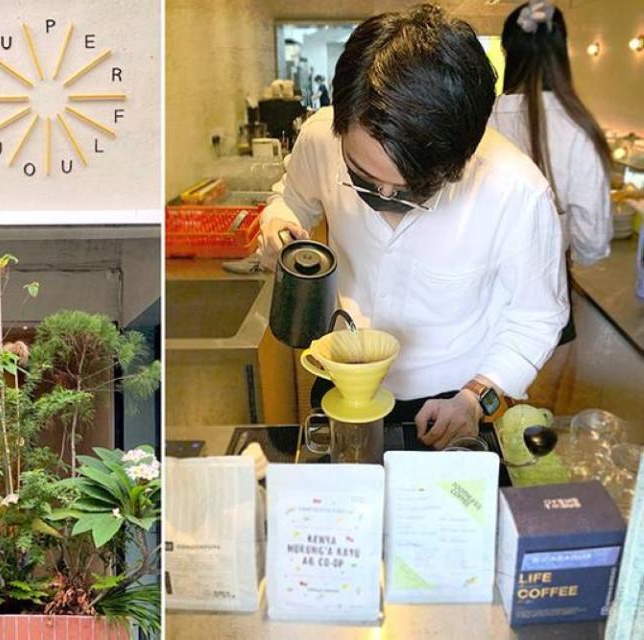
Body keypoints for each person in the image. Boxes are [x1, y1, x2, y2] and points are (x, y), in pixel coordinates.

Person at [259, 5, 568, 449]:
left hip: (450, 397)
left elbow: (536, 316)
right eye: (363, 178)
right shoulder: (319, 137)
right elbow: (290, 198)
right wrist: (278, 223)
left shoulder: (516, 191)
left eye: (413, 189)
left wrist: (475, 397)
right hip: (341, 376)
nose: (384, 197)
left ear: (463, 152)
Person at [488, 0, 612, 344]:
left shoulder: (482, 120)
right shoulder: (576, 127)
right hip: (546, 291)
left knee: (485, 391)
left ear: (508, 51)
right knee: (542, 394)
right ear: (562, 53)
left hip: (479, 293)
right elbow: (593, 240)